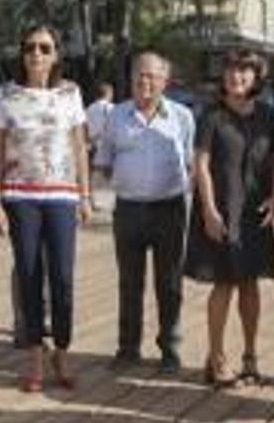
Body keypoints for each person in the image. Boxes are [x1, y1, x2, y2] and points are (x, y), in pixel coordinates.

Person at [0, 25, 93, 392]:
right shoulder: (6, 93)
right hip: (20, 197)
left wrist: (86, 195)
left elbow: (79, 147)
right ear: (22, 53)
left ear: (56, 54)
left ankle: (62, 352)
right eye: (30, 47)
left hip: (62, 196)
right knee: (30, 276)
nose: (36, 54)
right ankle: (35, 356)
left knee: (63, 278)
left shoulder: (71, 93)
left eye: (45, 48)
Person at [184, 50, 274, 388]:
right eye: (230, 70)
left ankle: (250, 358)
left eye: (244, 71)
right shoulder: (211, 115)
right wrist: (209, 210)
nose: (236, 76)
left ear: (256, 77)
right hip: (222, 210)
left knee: (250, 284)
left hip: (254, 213)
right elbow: (201, 165)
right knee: (223, 283)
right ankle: (217, 358)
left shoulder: (269, 115)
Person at [94, 52, 195, 374]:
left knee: (170, 283)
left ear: (165, 81)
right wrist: (128, 183)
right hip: (128, 210)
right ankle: (128, 348)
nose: (144, 81)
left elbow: (192, 164)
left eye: (152, 75)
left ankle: (170, 350)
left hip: (170, 209)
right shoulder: (116, 116)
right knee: (129, 282)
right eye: (139, 74)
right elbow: (104, 163)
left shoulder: (182, 117)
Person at [85, 82, 115, 210]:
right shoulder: (112, 108)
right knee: (116, 175)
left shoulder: (89, 108)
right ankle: (118, 202)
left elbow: (85, 128)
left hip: (92, 144)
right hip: (108, 145)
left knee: (90, 176)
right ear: (108, 94)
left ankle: (91, 202)